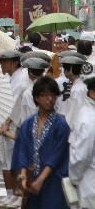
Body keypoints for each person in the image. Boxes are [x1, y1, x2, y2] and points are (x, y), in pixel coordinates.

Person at [11, 75, 69, 209]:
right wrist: (23, 175)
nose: (50, 99)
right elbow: (22, 150)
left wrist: (41, 180)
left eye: (53, 95)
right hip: (31, 179)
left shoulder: (61, 125)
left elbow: (57, 156)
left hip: (53, 181)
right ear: (36, 98)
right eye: (45, 95)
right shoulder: (28, 123)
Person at [0, 50, 31, 209]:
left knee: (14, 162)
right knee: (6, 161)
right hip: (6, 123)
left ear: (14, 62)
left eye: (4, 61)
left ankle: (18, 194)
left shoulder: (21, 79)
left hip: (14, 125)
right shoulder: (11, 78)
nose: (1, 64)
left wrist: (5, 124)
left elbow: (15, 106)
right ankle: (12, 194)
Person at [69, 74, 95, 209]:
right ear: (92, 93)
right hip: (88, 182)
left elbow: (80, 155)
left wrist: (73, 177)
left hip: (88, 183)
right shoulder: (88, 117)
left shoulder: (87, 116)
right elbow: (81, 154)